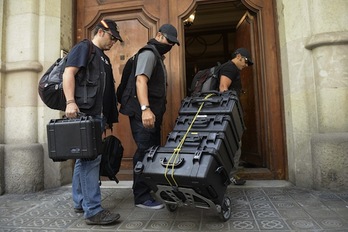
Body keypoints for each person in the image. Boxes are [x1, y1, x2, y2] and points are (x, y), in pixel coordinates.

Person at [62, 19, 123, 225]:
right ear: (100, 32)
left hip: (97, 116)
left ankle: (80, 202)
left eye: (115, 38)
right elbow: (68, 73)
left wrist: (106, 119)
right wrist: (70, 102)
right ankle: (94, 210)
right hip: (86, 115)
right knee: (92, 161)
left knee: (83, 159)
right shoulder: (84, 48)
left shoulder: (102, 58)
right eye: (112, 37)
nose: (114, 41)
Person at [124, 24, 180, 209]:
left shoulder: (157, 55)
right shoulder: (149, 53)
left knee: (151, 152)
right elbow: (140, 80)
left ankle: (148, 191)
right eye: (168, 40)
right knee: (144, 152)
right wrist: (145, 108)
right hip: (143, 113)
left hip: (150, 114)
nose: (170, 44)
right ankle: (141, 197)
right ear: (158, 35)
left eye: (173, 42)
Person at [218, 47, 254, 185]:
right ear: (238, 56)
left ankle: (227, 175)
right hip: (228, 114)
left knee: (231, 144)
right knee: (234, 144)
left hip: (228, 113)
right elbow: (223, 88)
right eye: (246, 61)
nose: (246, 65)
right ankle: (231, 176)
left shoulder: (231, 68)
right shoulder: (230, 67)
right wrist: (229, 115)